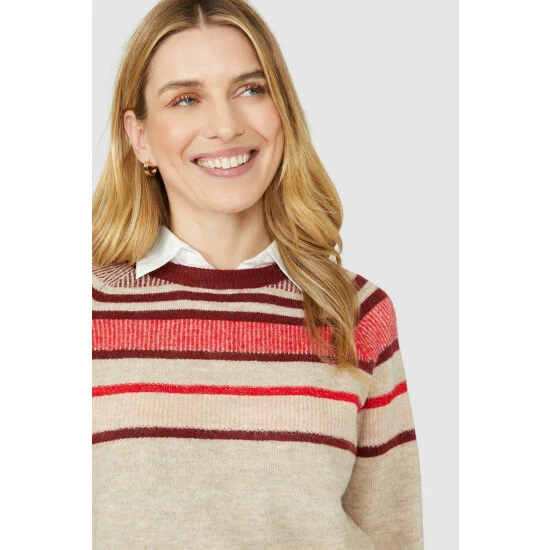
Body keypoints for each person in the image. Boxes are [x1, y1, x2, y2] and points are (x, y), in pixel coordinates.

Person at [92, 0, 424, 547]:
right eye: (186, 99)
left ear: (283, 111)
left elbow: (394, 534)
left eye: (251, 89)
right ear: (140, 136)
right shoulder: (85, 311)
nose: (225, 126)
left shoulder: (356, 314)